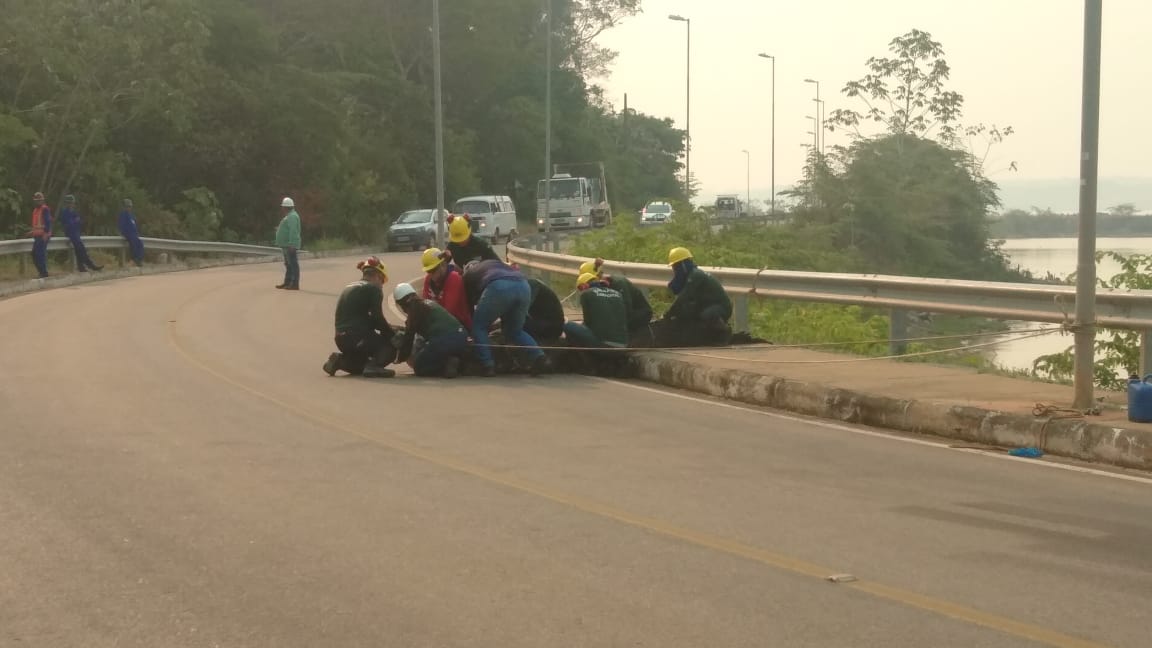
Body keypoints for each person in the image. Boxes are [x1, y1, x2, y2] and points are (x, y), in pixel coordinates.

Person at [461, 259, 549, 377]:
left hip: (499, 286)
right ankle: (538, 356)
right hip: (523, 286)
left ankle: (487, 365)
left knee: (479, 326)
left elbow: (469, 306)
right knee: (514, 331)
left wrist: (470, 329)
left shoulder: (468, 275)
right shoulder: (492, 263)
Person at [323, 257, 398, 378]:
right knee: (389, 348)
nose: (382, 285)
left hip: (341, 339)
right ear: (378, 275)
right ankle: (374, 367)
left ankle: (339, 361)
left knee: (363, 364)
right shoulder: (373, 289)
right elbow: (377, 318)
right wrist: (392, 335)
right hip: (356, 337)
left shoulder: (350, 286)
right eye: (382, 281)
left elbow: (365, 319)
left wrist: (388, 327)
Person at [655, 247, 733, 347]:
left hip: (721, 307)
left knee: (707, 315)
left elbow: (683, 297)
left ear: (683, 264)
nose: (674, 269)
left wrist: (668, 314)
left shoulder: (696, 276)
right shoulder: (689, 276)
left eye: (676, 266)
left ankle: (724, 332)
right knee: (687, 313)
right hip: (706, 305)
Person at [393, 283, 469, 378]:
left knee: (420, 368)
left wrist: (400, 358)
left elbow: (409, 337)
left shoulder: (415, 311)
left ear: (402, 303)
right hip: (461, 336)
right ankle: (454, 361)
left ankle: (446, 364)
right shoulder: (428, 302)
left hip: (444, 340)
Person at [578, 258, 653, 345]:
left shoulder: (618, 284)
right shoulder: (602, 287)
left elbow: (625, 311)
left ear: (598, 276)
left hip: (638, 313)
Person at [420, 247, 472, 328]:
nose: (431, 274)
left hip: (458, 326)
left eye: (433, 270)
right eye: (428, 271)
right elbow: (424, 305)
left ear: (442, 264)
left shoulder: (454, 278)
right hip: (438, 323)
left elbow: (449, 311)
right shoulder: (429, 279)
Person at [59, 195, 102, 272]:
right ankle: (90, 264)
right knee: (81, 248)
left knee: (79, 249)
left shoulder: (75, 212)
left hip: (76, 233)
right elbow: (69, 224)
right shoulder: (64, 212)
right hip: (70, 233)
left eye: (72, 203)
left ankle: (81, 266)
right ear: (66, 203)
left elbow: (80, 223)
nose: (70, 204)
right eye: (69, 203)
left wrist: (75, 222)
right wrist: (75, 221)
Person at [524, 277, 565, 344]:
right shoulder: (529, 285)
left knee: (516, 326)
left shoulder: (532, 285)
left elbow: (524, 309)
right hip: (551, 325)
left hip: (550, 327)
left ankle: (536, 353)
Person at [275, 196, 301, 290]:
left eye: (283, 207)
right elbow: (288, 229)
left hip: (290, 245)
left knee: (293, 264)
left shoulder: (292, 216)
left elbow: (293, 231)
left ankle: (294, 284)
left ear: (286, 207)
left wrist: (292, 243)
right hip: (286, 245)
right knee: (288, 264)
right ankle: (288, 282)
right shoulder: (289, 215)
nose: (282, 208)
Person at [28, 192, 52, 278]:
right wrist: (32, 231)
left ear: (42, 200)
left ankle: (44, 273)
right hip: (37, 236)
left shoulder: (45, 209)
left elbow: (48, 223)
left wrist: (45, 234)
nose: (38, 202)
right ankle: (41, 272)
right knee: (34, 254)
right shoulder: (35, 210)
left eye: (39, 200)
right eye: (36, 200)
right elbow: (37, 224)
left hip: (43, 236)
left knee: (39, 254)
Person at [118, 199, 144, 267]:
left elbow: (134, 225)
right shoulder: (123, 214)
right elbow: (122, 225)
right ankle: (134, 259)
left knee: (140, 244)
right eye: (127, 206)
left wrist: (136, 233)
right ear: (125, 207)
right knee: (134, 244)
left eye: (130, 206)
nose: (129, 208)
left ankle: (139, 260)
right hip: (128, 233)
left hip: (134, 233)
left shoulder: (131, 215)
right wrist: (124, 233)